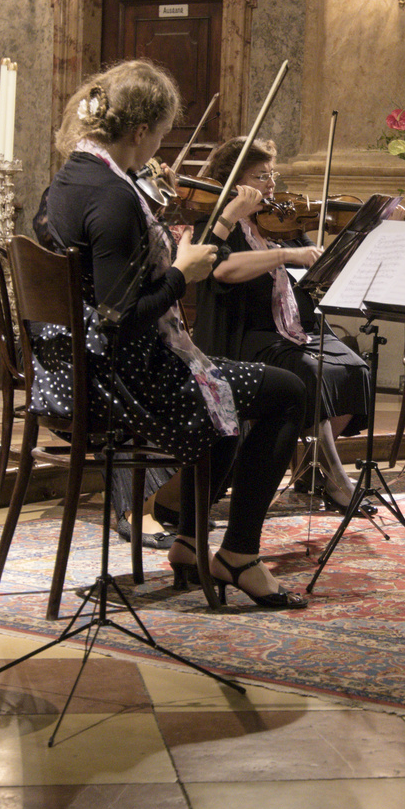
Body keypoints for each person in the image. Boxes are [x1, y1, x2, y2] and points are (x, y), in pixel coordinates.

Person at [28, 59, 308, 609]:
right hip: (124, 383)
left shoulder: (65, 182)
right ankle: (240, 554)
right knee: (287, 391)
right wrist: (184, 273)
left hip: (69, 375)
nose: (159, 148)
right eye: (158, 135)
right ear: (139, 131)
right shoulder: (111, 198)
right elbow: (122, 316)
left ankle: (188, 542)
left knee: (232, 389)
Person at [192, 137, 375, 516]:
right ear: (235, 182)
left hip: (293, 330)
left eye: (272, 174)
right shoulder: (215, 224)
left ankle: (311, 466)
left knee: (356, 369)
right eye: (260, 176)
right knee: (311, 371)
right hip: (246, 334)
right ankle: (337, 479)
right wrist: (288, 255)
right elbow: (223, 270)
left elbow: (317, 265)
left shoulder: (280, 220)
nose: (271, 184)